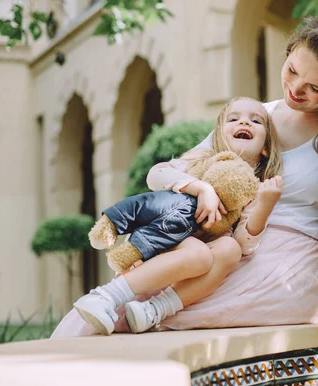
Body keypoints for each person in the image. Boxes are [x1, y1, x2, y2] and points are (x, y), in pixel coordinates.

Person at [52, 15, 318, 338]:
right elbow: (175, 171)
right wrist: (193, 187)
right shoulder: (254, 117)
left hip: (286, 270)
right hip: (223, 249)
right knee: (106, 307)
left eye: (315, 88)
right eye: (292, 71)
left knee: (140, 315)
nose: (295, 89)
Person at [61, 97, 283, 336]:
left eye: (256, 121)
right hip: (164, 237)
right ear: (219, 134)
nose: (244, 122)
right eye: (234, 118)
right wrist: (201, 189)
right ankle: (106, 296)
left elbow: (244, 244)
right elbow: (156, 174)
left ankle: (153, 311)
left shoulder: (255, 190)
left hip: (194, 254)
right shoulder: (201, 160)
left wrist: (264, 207)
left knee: (230, 249)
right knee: (199, 254)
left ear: (266, 147)